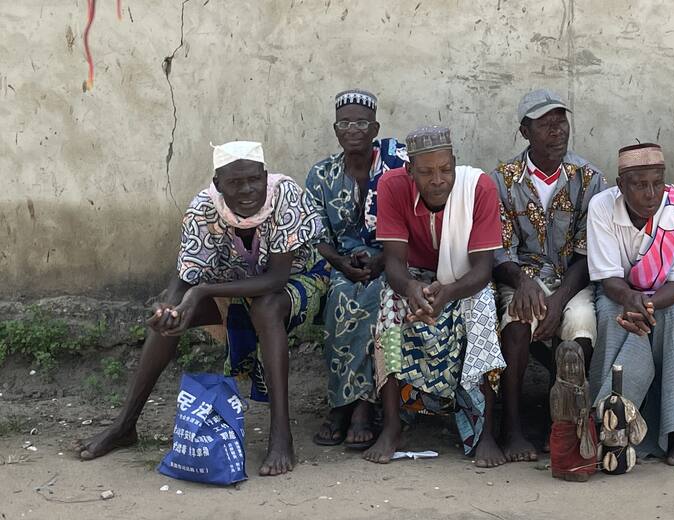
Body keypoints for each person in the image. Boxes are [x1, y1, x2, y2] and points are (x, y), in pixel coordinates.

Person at [77, 141, 329, 477]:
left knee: (266, 308)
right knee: (172, 319)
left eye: (254, 179)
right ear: (217, 183)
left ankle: (281, 435)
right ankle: (125, 425)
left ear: (265, 175)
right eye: (235, 183)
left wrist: (204, 291)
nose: (247, 190)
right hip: (233, 287)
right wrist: (171, 307)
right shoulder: (203, 208)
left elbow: (276, 278)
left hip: (297, 280)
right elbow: (187, 274)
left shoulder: (284, 194)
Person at [363, 125, 508, 467]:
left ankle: (485, 431)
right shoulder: (392, 186)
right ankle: (392, 426)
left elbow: (482, 270)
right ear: (409, 170)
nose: (438, 180)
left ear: (455, 163)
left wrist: (449, 292)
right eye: (426, 172)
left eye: (445, 169)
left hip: (464, 279)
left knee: (483, 306)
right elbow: (394, 265)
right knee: (389, 305)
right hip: (415, 277)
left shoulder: (478, 188)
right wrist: (411, 289)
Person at [489, 89, 606, 463]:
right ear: (525, 132)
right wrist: (523, 283)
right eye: (546, 125)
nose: (557, 131)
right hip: (520, 277)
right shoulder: (502, 180)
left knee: (581, 326)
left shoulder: (589, 178)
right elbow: (499, 250)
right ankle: (512, 426)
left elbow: (589, 254)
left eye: (561, 122)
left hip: (571, 279)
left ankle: (566, 424)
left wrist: (558, 301)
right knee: (516, 322)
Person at [586, 143, 674, 466]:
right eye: (639, 185)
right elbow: (609, 279)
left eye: (657, 183)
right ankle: (608, 426)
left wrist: (644, 306)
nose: (651, 194)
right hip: (618, 294)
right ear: (621, 185)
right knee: (610, 318)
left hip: (665, 296)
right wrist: (630, 300)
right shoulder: (602, 206)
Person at [305, 89, 407, 449]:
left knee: (377, 294)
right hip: (341, 263)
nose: (352, 130)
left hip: (391, 258)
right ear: (335, 130)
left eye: (361, 123)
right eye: (344, 123)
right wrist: (341, 263)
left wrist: (383, 260)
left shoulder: (397, 168)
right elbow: (314, 234)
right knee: (341, 294)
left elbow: (411, 223)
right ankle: (343, 404)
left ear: (375, 128)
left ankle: (359, 407)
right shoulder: (322, 175)